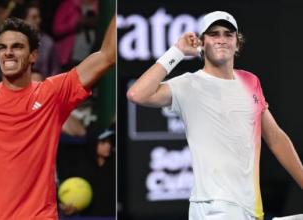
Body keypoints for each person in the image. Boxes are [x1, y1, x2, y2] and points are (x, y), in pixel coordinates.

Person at [0, 13, 115, 220]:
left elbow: (107, 56)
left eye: (17, 47)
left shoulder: (52, 95)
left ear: (33, 56)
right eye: (3, 48)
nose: (8, 53)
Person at [127, 11, 303, 220]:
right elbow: (136, 94)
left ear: (237, 44)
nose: (221, 40)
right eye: (213, 34)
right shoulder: (188, 84)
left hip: (249, 208)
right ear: (202, 43)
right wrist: (178, 51)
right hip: (215, 207)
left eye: (228, 34)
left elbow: (275, 138)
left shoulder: (250, 81)